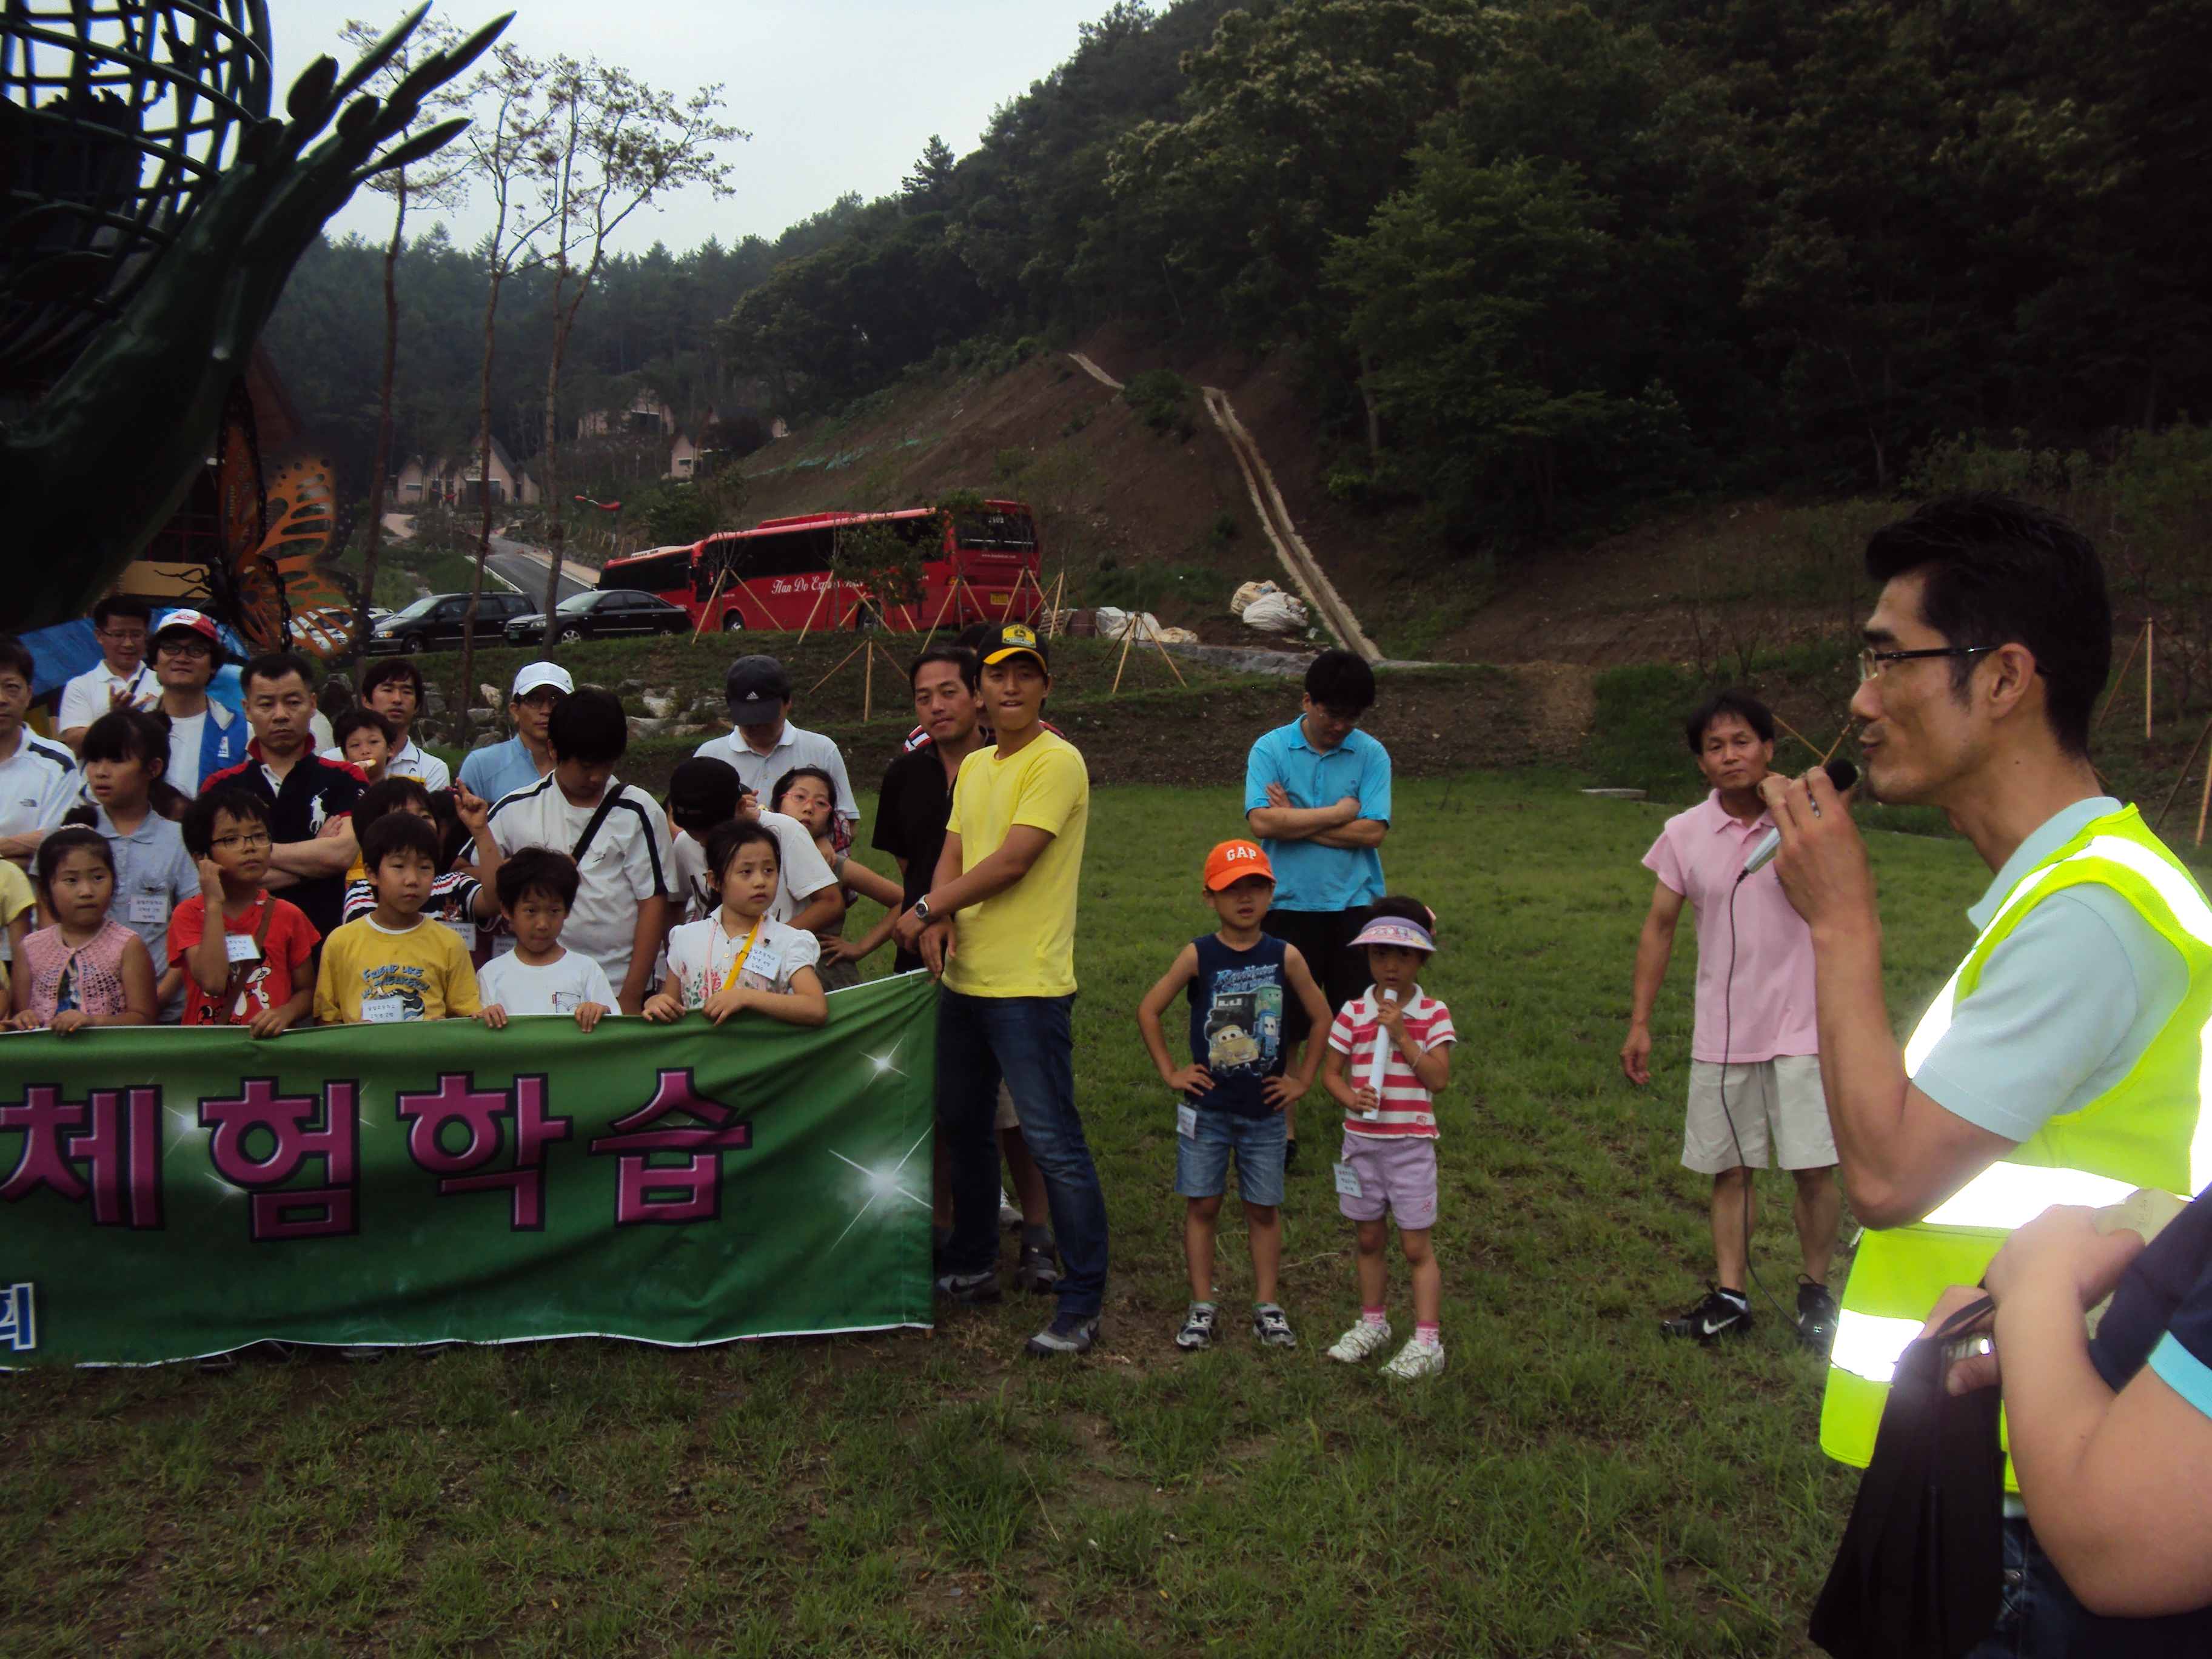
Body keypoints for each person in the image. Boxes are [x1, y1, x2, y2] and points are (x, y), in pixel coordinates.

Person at [1755, 494, 2212, 1647]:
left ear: (2004, 678)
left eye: (1884, 659)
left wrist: (1841, 922)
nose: (1857, 700)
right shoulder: (2075, 894)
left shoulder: (2092, 918)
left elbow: (1887, 1175)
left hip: (2041, 1485)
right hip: (2003, 1448)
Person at [893, 621, 1109, 1358]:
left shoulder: (1058, 762)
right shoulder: (977, 766)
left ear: (1045, 685)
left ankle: (1080, 1302)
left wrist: (925, 908)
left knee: (1053, 1142)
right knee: (965, 1124)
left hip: (1029, 986)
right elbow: (953, 851)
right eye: (997, 675)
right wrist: (935, 916)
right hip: (965, 979)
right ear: (981, 689)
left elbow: (1014, 860)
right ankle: (975, 1262)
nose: (1010, 687)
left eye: (1025, 674)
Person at [1621, 688, 1840, 1350]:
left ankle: (1816, 1294)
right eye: (1714, 747)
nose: (1730, 755)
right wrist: (1640, 1021)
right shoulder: (1685, 833)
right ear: (1700, 763)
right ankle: (1730, 1296)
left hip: (1805, 1023)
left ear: (1770, 749)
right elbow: (1659, 927)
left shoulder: (1806, 817)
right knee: (1730, 1168)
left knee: (1813, 1166)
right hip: (1724, 1029)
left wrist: (1790, 807)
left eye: (1743, 741)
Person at [848, 643, 1059, 1292]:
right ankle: (944, 1232)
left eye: (949, 691)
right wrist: (918, 921)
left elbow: (1013, 864)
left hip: (1007, 960)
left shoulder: (1023, 766)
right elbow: (912, 868)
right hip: (925, 960)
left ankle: (1039, 1237)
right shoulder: (905, 776)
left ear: (979, 696)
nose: (936, 706)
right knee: (942, 1108)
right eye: (922, 697)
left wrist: (939, 906)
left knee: (1018, 1114)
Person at [1137, 838, 1333, 1352]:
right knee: (1203, 1205)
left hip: (1265, 1111)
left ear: (1272, 893)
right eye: (1231, 890)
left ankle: (1268, 1307)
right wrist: (1171, 1072)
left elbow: (1322, 1017)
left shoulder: (1284, 956)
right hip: (1207, 1110)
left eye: (1256, 888)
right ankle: (1202, 1305)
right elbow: (1149, 1010)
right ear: (1210, 898)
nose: (1244, 899)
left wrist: (1303, 1081)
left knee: (1262, 1209)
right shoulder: (1198, 954)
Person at [1244, 647, 1391, 1169]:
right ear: (1307, 701)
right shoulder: (1270, 748)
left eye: (1352, 717)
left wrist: (1300, 820)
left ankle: (1370, 1127)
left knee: (1362, 1020)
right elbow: (1262, 824)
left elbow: (1373, 832)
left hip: (1355, 907)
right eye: (1332, 714)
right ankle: (1281, 1136)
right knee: (1279, 1025)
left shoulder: (1371, 754)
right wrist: (1338, 816)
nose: (1341, 726)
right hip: (1285, 904)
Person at [1318, 899, 1456, 1380]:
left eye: (1402, 956)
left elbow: (1438, 1079)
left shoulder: (1433, 1014)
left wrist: (1402, 1035)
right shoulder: (1353, 1011)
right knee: (1369, 1237)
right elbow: (1330, 1075)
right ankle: (1373, 1323)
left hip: (1409, 1147)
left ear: (1423, 959)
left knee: (1416, 1247)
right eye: (1379, 955)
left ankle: (1426, 1341)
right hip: (1360, 1146)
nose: (1390, 966)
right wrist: (1350, 1099)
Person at [484, 686, 670, 1014]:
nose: (597, 776)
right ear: (553, 750)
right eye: (585, 765)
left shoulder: (639, 810)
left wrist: (629, 998)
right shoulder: (517, 808)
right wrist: (520, 870)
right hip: (535, 993)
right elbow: (465, 870)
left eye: (608, 764)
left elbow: (653, 902)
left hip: (614, 988)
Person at [201, 652, 364, 942]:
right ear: (247, 709)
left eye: (293, 702)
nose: (280, 715)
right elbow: (221, 877)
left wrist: (245, 851)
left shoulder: (346, 778)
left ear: (312, 704)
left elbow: (342, 854)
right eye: (266, 704)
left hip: (327, 940)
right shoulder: (220, 788)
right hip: (245, 945)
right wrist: (315, 858)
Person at [645, 819, 828, 1028]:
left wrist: (745, 998)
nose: (760, 881)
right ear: (714, 881)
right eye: (746, 872)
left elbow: (815, 1008)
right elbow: (671, 1005)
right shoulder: (686, 938)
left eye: (769, 870)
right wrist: (656, 1002)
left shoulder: (789, 942)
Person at [75, 709, 196, 1021]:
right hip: (82, 1013)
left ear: (153, 768)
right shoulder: (72, 835)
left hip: (168, 1013)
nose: (100, 772)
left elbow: (194, 927)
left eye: (116, 761)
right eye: (93, 760)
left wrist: (158, 998)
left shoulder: (180, 840)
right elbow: (49, 925)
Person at [170, 789, 318, 1034]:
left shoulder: (288, 914)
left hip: (269, 1050)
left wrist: (285, 1013)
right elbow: (213, 982)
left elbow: (308, 991)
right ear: (201, 858)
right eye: (231, 840)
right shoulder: (188, 913)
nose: (250, 847)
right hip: (208, 1053)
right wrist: (214, 904)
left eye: (259, 836)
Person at [313, 811, 481, 1024]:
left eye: (425, 868)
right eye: (399, 866)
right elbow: (326, 1019)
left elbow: (465, 1017)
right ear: (372, 873)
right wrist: (352, 1037)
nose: (412, 879)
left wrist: (446, 1030)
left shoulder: (449, 943)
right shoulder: (341, 942)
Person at [7, 826, 157, 1031]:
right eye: (71, 880)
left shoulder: (127, 945)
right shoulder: (30, 948)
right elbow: (19, 1015)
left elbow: (145, 1019)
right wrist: (24, 1018)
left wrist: (94, 1021)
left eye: (97, 878)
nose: (86, 891)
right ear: (45, 890)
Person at [664, 757, 840, 931]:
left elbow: (830, 902)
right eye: (692, 833)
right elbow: (675, 903)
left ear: (740, 807)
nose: (703, 843)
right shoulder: (684, 844)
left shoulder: (785, 832)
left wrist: (774, 945)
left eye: (712, 832)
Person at [692, 654, 859, 830]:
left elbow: (848, 823)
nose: (757, 725)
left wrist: (818, 838)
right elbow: (687, 824)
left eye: (766, 716)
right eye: (747, 717)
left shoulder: (822, 750)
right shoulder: (709, 757)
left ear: (788, 701)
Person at [772, 763, 893, 991]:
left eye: (821, 803)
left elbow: (904, 901)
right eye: (799, 797)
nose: (809, 808)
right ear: (776, 805)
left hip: (827, 981)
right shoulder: (755, 858)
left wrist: (860, 948)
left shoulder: (833, 865)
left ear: (830, 819)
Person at [475, 848, 617, 1030]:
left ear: (567, 910)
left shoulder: (586, 970)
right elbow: (479, 1036)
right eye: (531, 911)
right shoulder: (491, 974)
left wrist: (599, 1012)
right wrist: (485, 1017)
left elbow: (614, 1029)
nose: (542, 924)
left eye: (554, 911)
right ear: (508, 911)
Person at [338, 777, 500, 935]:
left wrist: (480, 830)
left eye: (425, 817)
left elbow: (495, 901)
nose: (419, 825)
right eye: (404, 817)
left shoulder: (454, 885)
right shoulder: (363, 893)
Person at [0, 635, 83, 865]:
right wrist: (23, 846)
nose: (2, 699)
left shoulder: (57, 763)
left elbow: (56, 850)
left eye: (11, 688)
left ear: (28, 695)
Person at [147, 609, 246, 796]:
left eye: (196, 650)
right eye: (171, 648)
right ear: (155, 661)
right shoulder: (130, 726)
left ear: (214, 665)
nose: (182, 658)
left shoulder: (241, 730)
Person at [322, 659, 450, 791]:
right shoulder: (331, 762)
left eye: (407, 692)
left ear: (417, 706)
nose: (397, 699)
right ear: (366, 700)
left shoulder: (432, 770)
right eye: (388, 690)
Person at [57, 594, 159, 752]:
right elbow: (75, 744)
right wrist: (113, 719)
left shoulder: (163, 682)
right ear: (99, 636)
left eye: (136, 635)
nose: (128, 644)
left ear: (146, 635)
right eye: (118, 635)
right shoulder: (80, 686)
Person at [459, 662, 570, 804]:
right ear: (515, 711)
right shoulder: (482, 766)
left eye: (557, 700)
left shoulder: (587, 768)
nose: (546, 710)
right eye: (535, 700)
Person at [333, 708, 394, 784]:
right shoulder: (338, 793)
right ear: (346, 756)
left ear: (390, 748)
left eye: (373, 742)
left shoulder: (399, 792)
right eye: (355, 745)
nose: (365, 751)